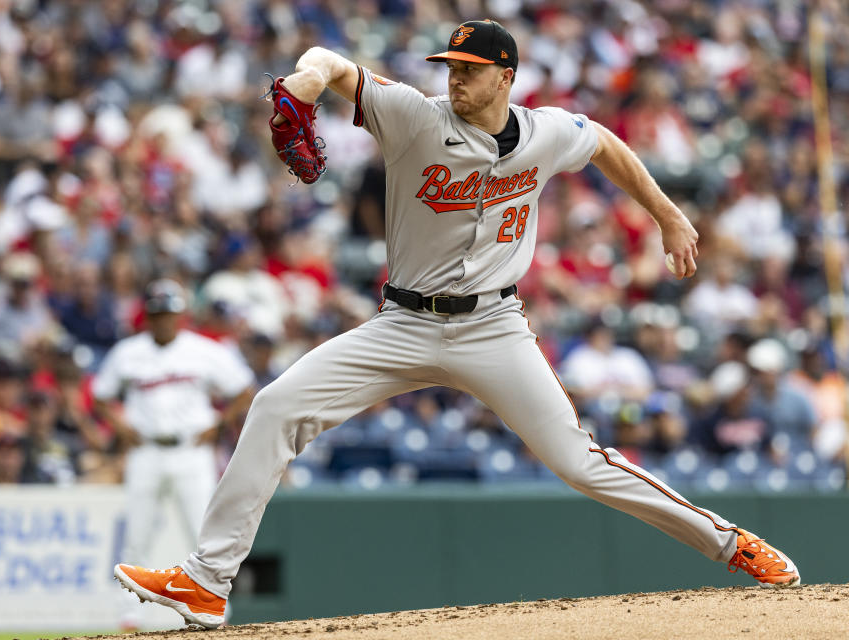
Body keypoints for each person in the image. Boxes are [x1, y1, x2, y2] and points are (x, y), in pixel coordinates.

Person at [114, 21, 801, 628]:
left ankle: (728, 542)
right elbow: (333, 61)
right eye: (450, 67)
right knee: (274, 407)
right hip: (403, 323)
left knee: (580, 463)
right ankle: (207, 584)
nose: (455, 79)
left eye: (469, 70)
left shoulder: (545, 131)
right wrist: (305, 79)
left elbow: (605, 144)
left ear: (506, 76)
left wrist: (667, 212)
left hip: (494, 328)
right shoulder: (414, 116)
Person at [92, 278, 255, 629]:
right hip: (146, 450)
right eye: (157, 312)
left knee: (202, 534)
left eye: (169, 312)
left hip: (190, 450)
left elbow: (244, 389)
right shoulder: (128, 352)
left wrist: (219, 424)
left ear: (180, 315)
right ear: (147, 316)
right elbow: (101, 395)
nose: (163, 319)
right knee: (137, 533)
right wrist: (121, 427)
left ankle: (215, 608)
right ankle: (129, 614)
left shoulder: (204, 349)